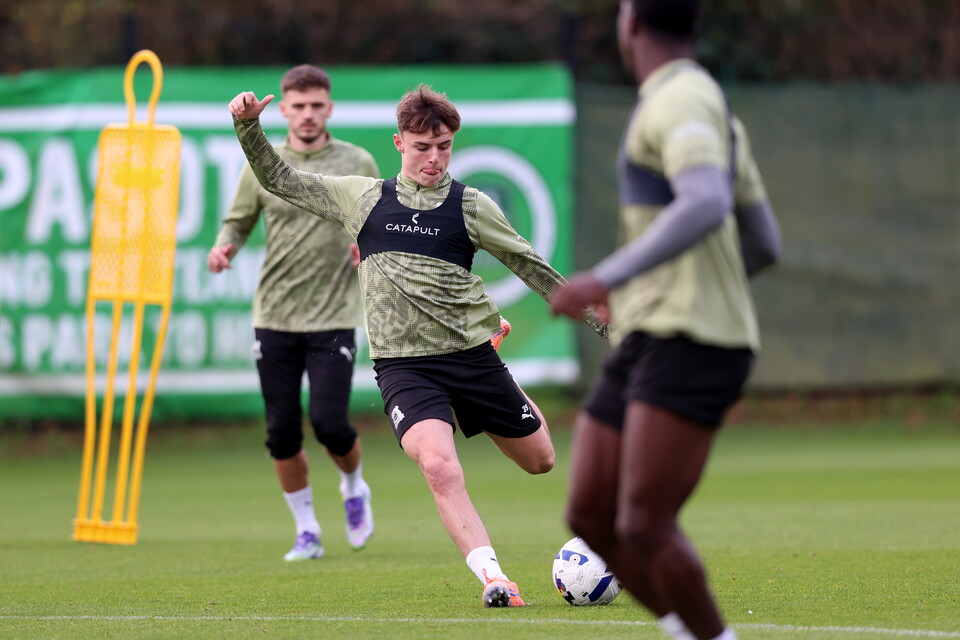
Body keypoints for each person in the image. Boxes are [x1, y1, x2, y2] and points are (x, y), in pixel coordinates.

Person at [227, 83, 606, 607]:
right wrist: (248, 125)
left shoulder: (471, 206)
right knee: (439, 466)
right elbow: (280, 179)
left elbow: (531, 267)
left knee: (540, 460)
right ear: (399, 142)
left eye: (444, 146)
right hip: (405, 368)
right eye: (422, 146)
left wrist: (605, 325)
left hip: (471, 356)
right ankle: (494, 578)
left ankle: (503, 380)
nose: (434, 158)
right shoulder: (363, 198)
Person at [549, 1, 782, 639]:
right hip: (651, 334)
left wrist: (609, 277)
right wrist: (650, 290)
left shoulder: (680, 98)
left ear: (630, 23)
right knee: (591, 515)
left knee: (643, 523)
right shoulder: (704, 107)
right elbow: (764, 244)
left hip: (692, 340)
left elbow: (704, 201)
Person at [208, 65, 379, 562]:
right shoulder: (264, 163)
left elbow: (377, 218)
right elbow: (238, 222)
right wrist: (223, 247)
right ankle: (307, 530)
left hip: (333, 315)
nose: (307, 114)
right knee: (281, 433)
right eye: (298, 106)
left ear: (329, 108)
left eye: (316, 105)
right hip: (275, 315)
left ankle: (354, 486)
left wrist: (365, 243)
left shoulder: (356, 160)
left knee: (329, 424)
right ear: (283, 109)